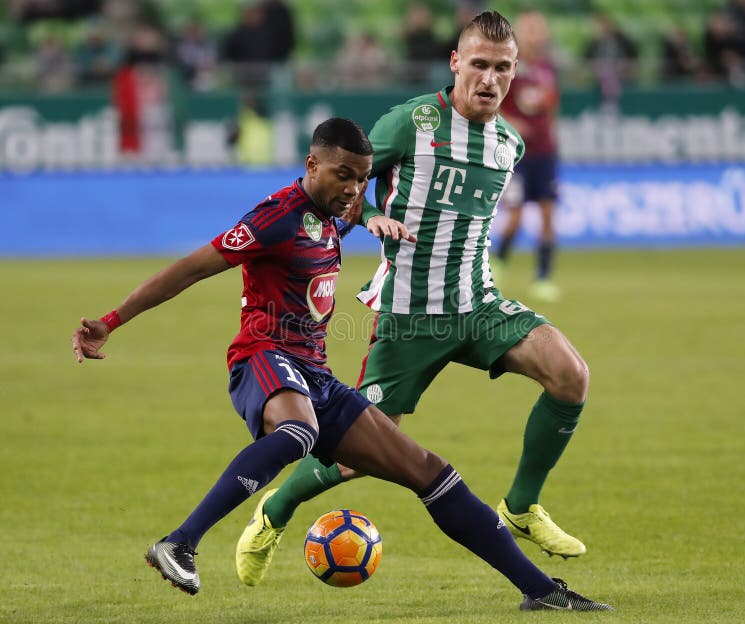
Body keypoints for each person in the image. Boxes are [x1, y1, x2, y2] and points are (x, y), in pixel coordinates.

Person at [70, 117, 612, 612]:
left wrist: (370, 218)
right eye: (342, 175)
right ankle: (179, 543)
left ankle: (542, 591)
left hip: (316, 375)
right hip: (262, 354)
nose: (352, 188)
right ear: (312, 165)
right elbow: (191, 267)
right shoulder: (275, 217)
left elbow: (356, 210)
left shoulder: (336, 213)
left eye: (360, 178)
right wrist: (112, 321)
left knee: (432, 473)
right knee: (298, 430)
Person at [246, 10, 594, 588]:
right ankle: (273, 512)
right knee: (361, 453)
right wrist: (375, 215)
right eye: (478, 65)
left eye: (502, 69)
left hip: (477, 305)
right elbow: (338, 187)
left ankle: (522, 506)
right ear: (455, 63)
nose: (489, 79)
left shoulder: (510, 142)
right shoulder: (411, 122)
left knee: (569, 374)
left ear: (515, 71)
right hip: (409, 317)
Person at [494, 10, 561, 303]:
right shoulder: (510, 67)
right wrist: (512, 123)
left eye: (539, 29)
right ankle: (498, 261)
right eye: (530, 29)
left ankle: (543, 277)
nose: (536, 34)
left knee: (547, 214)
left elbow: (551, 107)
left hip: (545, 153)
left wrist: (552, 134)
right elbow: (494, 105)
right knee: (516, 216)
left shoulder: (548, 68)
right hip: (518, 154)